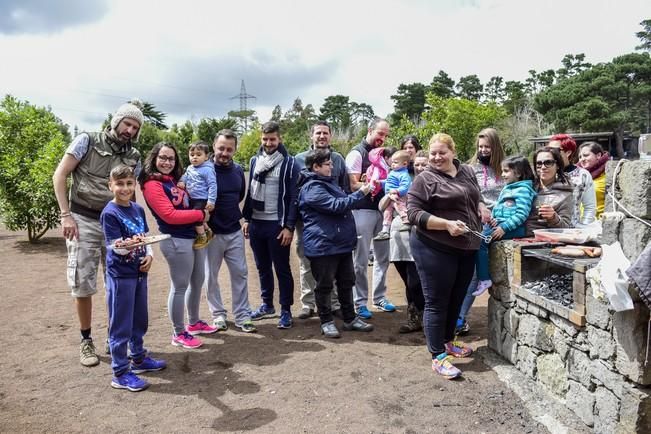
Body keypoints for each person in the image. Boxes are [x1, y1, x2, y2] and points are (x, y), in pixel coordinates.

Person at [52, 100, 143, 367]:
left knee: (117, 282)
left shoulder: (134, 155)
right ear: (116, 121)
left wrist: (132, 227)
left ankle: (113, 338)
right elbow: (60, 175)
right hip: (82, 219)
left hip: (113, 223)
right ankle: (86, 340)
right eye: (127, 123)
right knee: (83, 282)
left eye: (135, 127)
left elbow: (130, 192)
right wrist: (65, 214)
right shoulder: (87, 141)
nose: (130, 130)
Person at [407, 133, 489, 379]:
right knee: (437, 300)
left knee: (456, 297)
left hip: (466, 246)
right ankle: (437, 356)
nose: (436, 157)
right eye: (433, 153)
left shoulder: (466, 172)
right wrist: (445, 224)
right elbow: (413, 213)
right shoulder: (425, 179)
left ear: (453, 152)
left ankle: (447, 342)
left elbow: (476, 195)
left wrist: (482, 206)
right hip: (433, 245)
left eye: (442, 152)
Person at [139, 143, 216, 349]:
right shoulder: (152, 184)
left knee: (198, 280)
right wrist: (201, 215)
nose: (167, 162)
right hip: (176, 239)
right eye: (162, 158)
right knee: (180, 286)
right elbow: (169, 215)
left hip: (193, 236)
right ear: (154, 158)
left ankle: (193, 323)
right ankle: (178, 332)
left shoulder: (174, 179)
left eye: (171, 159)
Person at [100, 165, 165, 392]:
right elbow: (114, 247)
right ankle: (120, 372)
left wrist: (149, 254)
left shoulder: (137, 209)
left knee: (140, 319)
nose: (125, 188)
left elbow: (145, 237)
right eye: (119, 184)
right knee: (121, 323)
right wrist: (125, 248)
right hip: (121, 276)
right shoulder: (110, 213)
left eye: (129, 183)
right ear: (111, 186)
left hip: (139, 273)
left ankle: (138, 359)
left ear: (134, 184)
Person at [298, 149, 375, 338]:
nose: (332, 166)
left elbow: (345, 203)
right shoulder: (312, 187)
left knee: (346, 281)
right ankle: (326, 321)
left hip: (340, 243)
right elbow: (336, 206)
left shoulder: (329, 183)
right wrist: (361, 192)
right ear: (315, 167)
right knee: (324, 285)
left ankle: (350, 318)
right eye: (327, 164)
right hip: (323, 245)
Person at [242, 121, 300, 329]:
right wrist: (247, 219)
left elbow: (294, 196)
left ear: (279, 139)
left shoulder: (290, 163)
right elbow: (250, 191)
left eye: (272, 139)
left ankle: (286, 309)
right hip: (257, 223)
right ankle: (267, 305)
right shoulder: (254, 161)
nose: (268, 143)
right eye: (265, 139)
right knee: (262, 267)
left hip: (277, 224)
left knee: (282, 268)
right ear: (261, 138)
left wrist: (289, 226)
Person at [294, 121, 348, 320]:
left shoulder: (338, 159)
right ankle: (308, 304)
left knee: (332, 260)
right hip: (307, 220)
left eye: (325, 133)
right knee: (306, 259)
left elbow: (343, 187)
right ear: (311, 136)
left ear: (330, 136)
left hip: (332, 219)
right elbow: (294, 190)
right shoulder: (298, 159)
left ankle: (333, 304)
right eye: (318, 133)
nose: (322, 136)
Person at [205, 130, 257, 333]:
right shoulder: (204, 170)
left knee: (240, 274)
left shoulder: (237, 170)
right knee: (210, 277)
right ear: (213, 146)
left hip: (234, 231)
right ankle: (217, 314)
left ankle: (242, 315)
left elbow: (239, 196)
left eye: (229, 149)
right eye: (221, 148)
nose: (225, 153)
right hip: (211, 234)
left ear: (235, 149)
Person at [456, 128, 505, 336]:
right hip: (477, 223)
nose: (483, 150)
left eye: (487, 147)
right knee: (472, 275)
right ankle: (459, 317)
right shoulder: (469, 169)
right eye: (480, 147)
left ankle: (459, 317)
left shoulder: (505, 168)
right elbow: (467, 195)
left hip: (502, 220)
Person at [345, 118, 396, 319]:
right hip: (362, 211)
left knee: (383, 257)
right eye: (379, 134)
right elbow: (353, 184)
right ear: (370, 130)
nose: (382, 138)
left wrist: (383, 184)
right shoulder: (357, 153)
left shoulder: (383, 155)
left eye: (385, 135)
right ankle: (359, 302)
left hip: (381, 212)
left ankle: (379, 297)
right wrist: (379, 184)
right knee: (360, 259)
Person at [474, 156, 537, 295]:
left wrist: (504, 227)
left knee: (481, 241)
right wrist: (495, 219)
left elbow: (521, 214)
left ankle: (484, 278)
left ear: (518, 173)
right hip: (501, 224)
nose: (502, 174)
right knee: (477, 236)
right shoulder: (508, 188)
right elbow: (500, 208)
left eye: (506, 171)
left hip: (514, 228)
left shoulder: (523, 190)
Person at [380, 151, 427, 334]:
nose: (420, 168)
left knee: (416, 281)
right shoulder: (402, 179)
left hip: (419, 237)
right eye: (418, 164)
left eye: (425, 165)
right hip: (398, 237)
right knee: (408, 282)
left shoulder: (430, 184)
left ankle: (426, 320)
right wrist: (388, 196)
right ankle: (413, 318)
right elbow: (382, 206)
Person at [547, 134, 596, 227]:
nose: (550, 153)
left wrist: (583, 229)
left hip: (572, 231)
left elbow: (589, 207)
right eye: (548, 149)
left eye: (554, 150)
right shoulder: (544, 171)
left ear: (568, 152)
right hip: (545, 230)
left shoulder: (583, 175)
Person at [525, 147, 575, 235]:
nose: (543, 167)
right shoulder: (526, 186)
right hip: (516, 235)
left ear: (558, 166)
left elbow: (566, 228)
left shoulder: (565, 193)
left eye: (548, 163)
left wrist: (553, 218)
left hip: (543, 240)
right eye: (539, 163)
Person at [178, 141, 217, 249]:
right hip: (192, 198)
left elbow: (212, 186)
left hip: (202, 198)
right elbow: (186, 176)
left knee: (195, 218)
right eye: (192, 155)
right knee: (200, 219)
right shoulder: (190, 167)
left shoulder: (208, 170)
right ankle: (209, 231)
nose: (195, 157)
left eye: (198, 155)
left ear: (206, 157)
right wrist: (182, 181)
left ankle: (202, 236)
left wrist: (211, 201)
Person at [577, 142, 609, 219]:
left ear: (598, 155)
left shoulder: (609, 174)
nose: (582, 159)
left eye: (586, 155)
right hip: (581, 224)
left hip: (601, 224)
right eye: (580, 157)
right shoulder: (578, 176)